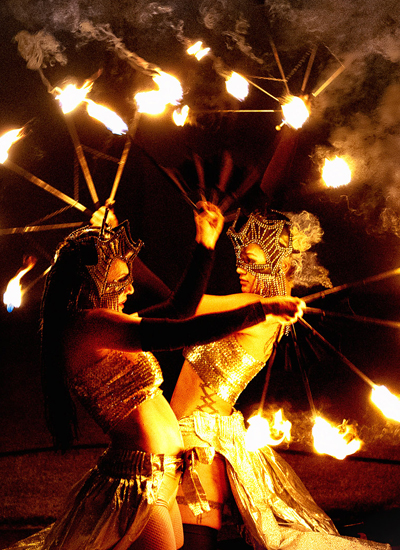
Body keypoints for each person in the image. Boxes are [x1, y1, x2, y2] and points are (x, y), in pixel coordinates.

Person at [8, 203, 304, 550]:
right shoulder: (91, 325)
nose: (130, 291)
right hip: (138, 482)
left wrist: (205, 245)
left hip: (163, 474)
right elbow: (179, 330)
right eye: (120, 282)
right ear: (91, 283)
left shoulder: (108, 325)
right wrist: (260, 311)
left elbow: (178, 311)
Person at [170, 207, 391, 550]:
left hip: (197, 445)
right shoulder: (260, 309)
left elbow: (179, 307)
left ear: (281, 265)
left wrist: (203, 244)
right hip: (192, 436)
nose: (241, 268)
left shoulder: (256, 308)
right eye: (241, 260)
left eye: (252, 261)